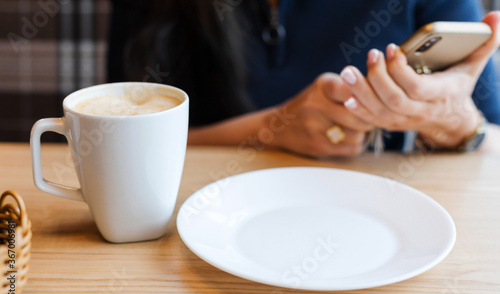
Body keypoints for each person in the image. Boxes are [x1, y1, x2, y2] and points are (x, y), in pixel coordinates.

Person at [108, 0, 500, 157]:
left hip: (376, 226)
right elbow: (114, 144)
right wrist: (270, 130)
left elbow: (493, 141)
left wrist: (455, 123)